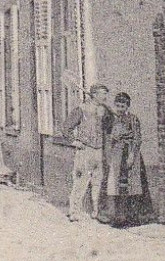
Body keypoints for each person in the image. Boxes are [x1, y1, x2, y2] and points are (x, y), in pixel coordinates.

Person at [61, 83, 113, 223]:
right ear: (95, 94)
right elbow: (66, 128)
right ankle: (74, 211)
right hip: (85, 150)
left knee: (98, 181)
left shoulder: (103, 110)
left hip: (99, 150)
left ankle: (96, 211)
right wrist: (74, 141)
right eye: (103, 94)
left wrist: (109, 113)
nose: (105, 96)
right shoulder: (81, 109)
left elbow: (110, 127)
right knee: (81, 180)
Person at [101, 91, 153, 227]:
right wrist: (112, 139)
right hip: (117, 154)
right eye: (117, 106)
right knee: (117, 186)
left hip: (130, 153)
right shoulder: (113, 119)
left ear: (127, 106)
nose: (120, 109)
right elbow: (108, 137)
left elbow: (137, 138)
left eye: (122, 106)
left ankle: (133, 217)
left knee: (133, 185)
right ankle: (119, 217)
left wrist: (132, 156)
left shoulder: (133, 119)